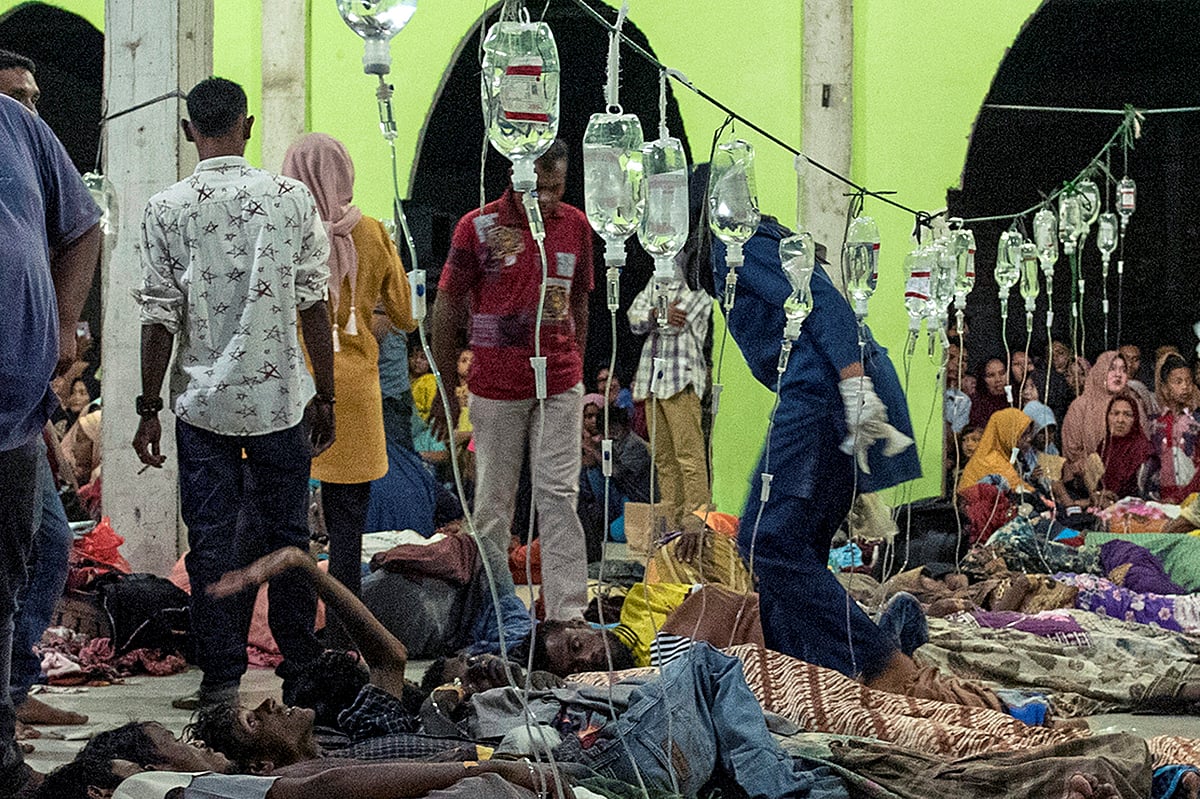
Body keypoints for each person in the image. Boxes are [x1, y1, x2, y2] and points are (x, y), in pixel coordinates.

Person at [131, 77, 334, 710]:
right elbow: (313, 303)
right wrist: (325, 396)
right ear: (246, 126)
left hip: (202, 409)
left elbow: (159, 316)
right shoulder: (290, 198)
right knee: (289, 541)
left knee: (211, 543)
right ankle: (299, 670)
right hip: (279, 404)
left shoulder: (166, 208)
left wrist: (147, 408)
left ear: (189, 131)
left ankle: (221, 684)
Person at [709, 202, 924, 694]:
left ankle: (881, 664)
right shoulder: (753, 248)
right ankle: (804, 675)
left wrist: (853, 384)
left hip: (824, 391)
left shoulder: (732, 245)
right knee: (799, 547)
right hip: (835, 386)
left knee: (767, 542)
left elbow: (822, 304)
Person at [430, 139, 593, 621]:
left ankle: (568, 615)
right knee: (493, 504)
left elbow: (581, 300)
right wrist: (444, 386)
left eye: (556, 187)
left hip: (559, 385)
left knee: (559, 497)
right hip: (496, 387)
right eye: (539, 185)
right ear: (515, 171)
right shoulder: (476, 227)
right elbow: (447, 306)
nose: (546, 196)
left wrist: (574, 365)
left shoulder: (576, 226)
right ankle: (497, 612)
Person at [0, 89, 101, 795]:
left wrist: (64, 318)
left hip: (11, 415)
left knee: (7, 582)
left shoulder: (17, 129)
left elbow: (83, 226)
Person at [280, 133, 416, 611]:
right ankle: (346, 634)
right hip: (354, 391)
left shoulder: (284, 230)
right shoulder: (374, 231)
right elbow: (405, 315)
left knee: (287, 526)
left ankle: (295, 633)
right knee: (347, 531)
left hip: (295, 387)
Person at [627, 262, 713, 535]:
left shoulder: (700, 287)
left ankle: (695, 521)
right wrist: (658, 313)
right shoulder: (656, 279)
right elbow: (633, 318)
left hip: (681, 378)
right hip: (652, 377)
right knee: (662, 457)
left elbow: (675, 325)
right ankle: (671, 523)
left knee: (689, 456)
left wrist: (653, 314)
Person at [1060, 350, 1145, 488]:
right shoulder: (1081, 406)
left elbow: (1142, 443)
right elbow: (1072, 450)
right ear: (1100, 370)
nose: (1118, 374)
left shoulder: (1133, 403)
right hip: (1088, 485)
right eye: (1112, 369)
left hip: (1129, 483)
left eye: (1123, 370)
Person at [1152, 351, 1200, 503]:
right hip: (1164, 498)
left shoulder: (1197, 421)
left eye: (1188, 381)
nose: (1185, 387)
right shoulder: (1156, 423)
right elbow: (1153, 464)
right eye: (1178, 382)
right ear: (1165, 388)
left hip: (1194, 497)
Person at [1093, 392, 1155, 507]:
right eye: (1115, 414)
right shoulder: (1104, 446)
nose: (1120, 420)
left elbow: (1145, 496)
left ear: (1135, 419)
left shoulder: (1142, 450)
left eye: (1127, 415)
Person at [956, 408, 1035, 495]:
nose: (1029, 439)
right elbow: (1017, 488)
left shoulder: (1008, 456)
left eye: (1029, 433)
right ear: (1007, 434)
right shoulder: (991, 461)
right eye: (1023, 435)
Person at [968, 357, 1010, 428]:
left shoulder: (1017, 397)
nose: (998, 379)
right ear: (983, 379)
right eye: (991, 375)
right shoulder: (976, 403)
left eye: (1002, 373)